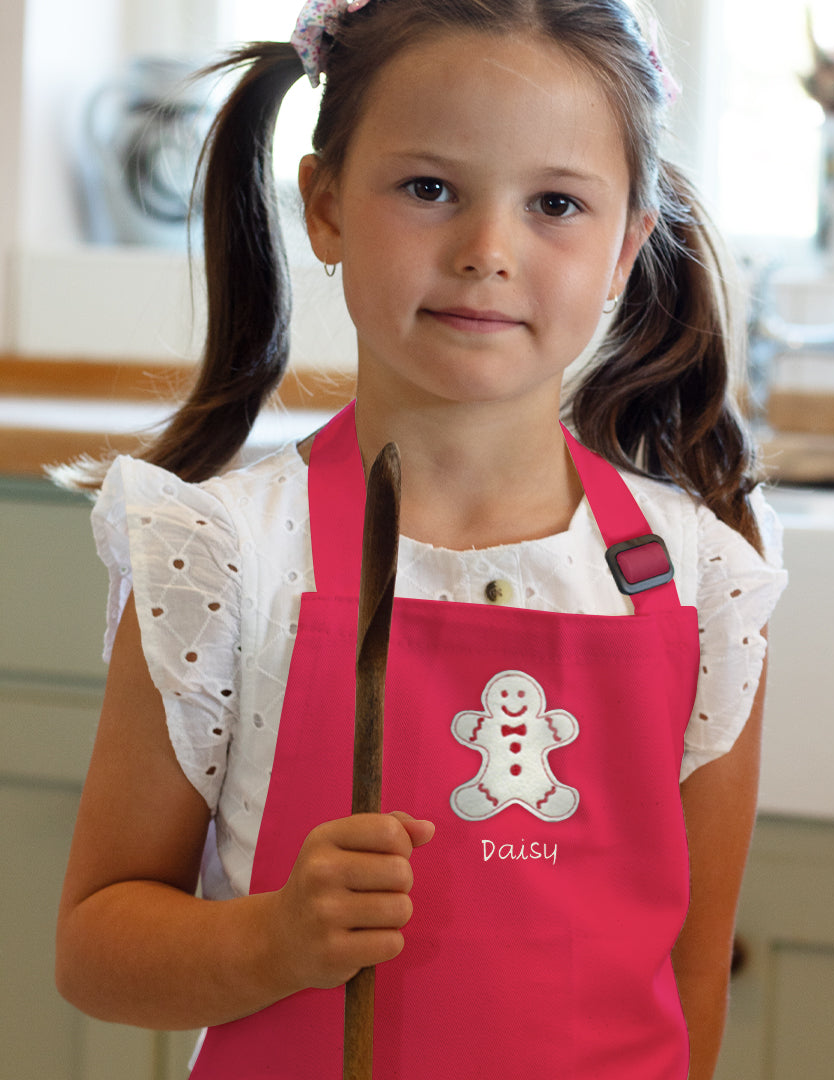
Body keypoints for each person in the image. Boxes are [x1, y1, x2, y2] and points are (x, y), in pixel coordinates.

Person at [55, 1, 787, 1077]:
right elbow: (96, 953)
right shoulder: (226, 557)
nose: (487, 251)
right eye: (430, 188)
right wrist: (276, 939)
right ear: (327, 207)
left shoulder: (701, 582)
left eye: (555, 203)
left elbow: (690, 972)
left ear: (628, 245)